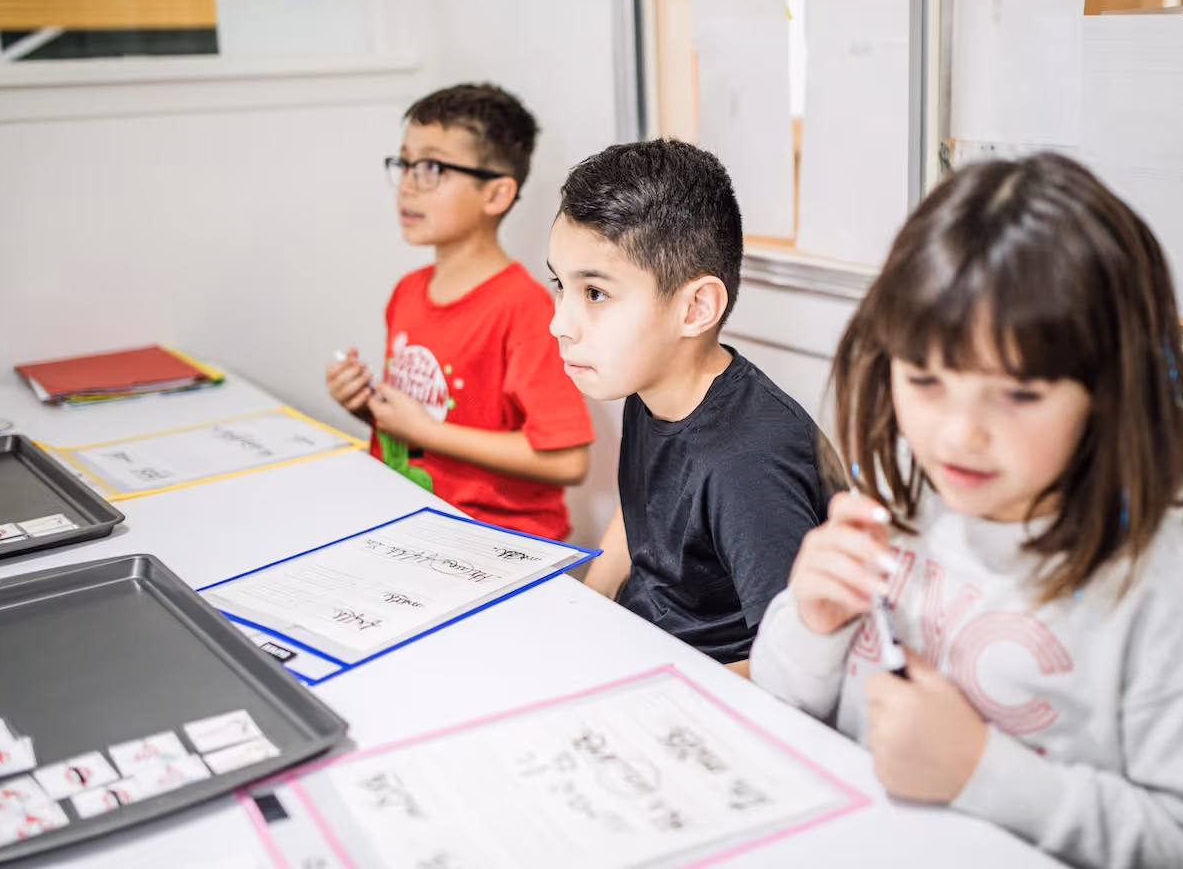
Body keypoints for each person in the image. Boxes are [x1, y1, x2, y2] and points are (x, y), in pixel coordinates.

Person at [751, 153, 1183, 867]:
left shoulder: (1163, 592)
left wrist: (982, 773)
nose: (958, 433)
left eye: (1019, 394)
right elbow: (779, 711)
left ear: (1108, 390)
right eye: (926, 379)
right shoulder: (901, 516)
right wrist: (810, 623)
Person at [547, 139, 830, 673]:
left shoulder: (747, 463)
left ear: (696, 307)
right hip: (640, 646)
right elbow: (639, 519)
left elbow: (795, 665)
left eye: (596, 294)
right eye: (560, 285)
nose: (559, 324)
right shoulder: (651, 385)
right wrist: (582, 613)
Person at [326, 83, 592, 540]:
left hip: (492, 540)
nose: (408, 184)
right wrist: (369, 407)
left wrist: (426, 431)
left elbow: (569, 460)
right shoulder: (407, 293)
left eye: (430, 167)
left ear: (496, 195)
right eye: (405, 163)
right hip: (409, 520)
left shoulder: (523, 308)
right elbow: (434, 421)